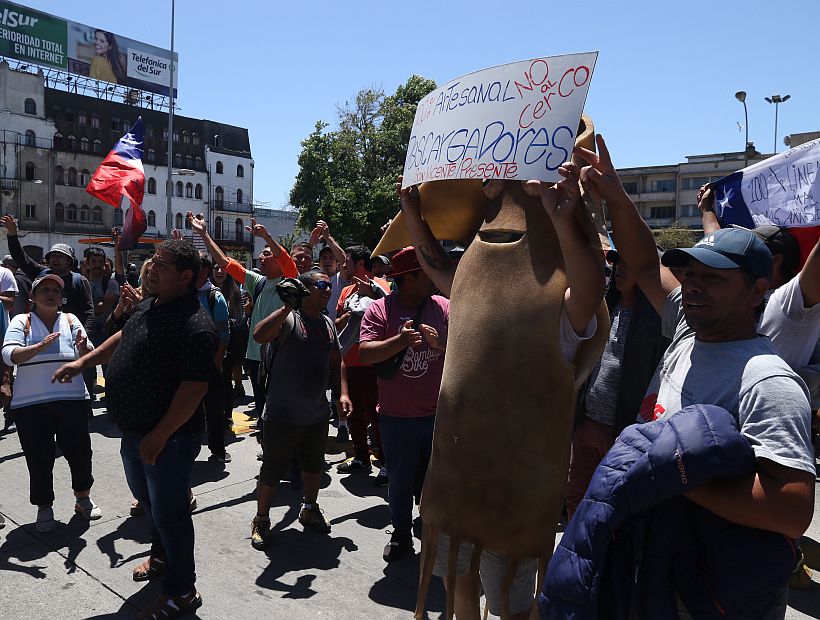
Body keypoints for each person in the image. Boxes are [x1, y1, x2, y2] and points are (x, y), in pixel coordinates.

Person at [581, 134, 814, 618]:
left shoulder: (767, 383)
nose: (693, 287)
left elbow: (792, 510)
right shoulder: (688, 329)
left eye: (714, 278)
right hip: (656, 570)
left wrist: (673, 478)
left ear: (757, 292)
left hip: (714, 593)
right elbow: (644, 260)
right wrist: (616, 195)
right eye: (688, 275)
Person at [398, 166, 604, 619]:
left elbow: (590, 290)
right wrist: (413, 214)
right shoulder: (472, 283)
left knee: (508, 598)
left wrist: (564, 219)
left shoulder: (560, 300)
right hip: (456, 478)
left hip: (516, 494)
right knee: (457, 583)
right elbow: (438, 270)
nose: (487, 184)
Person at [52, 239, 218, 619]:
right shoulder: (151, 303)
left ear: (185, 275)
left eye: (161, 263)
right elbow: (123, 336)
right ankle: (160, 557)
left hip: (170, 439)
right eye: (152, 260)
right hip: (135, 432)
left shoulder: (196, 324)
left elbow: (195, 389)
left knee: (172, 513)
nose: (151, 268)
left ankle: (183, 592)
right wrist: (83, 363)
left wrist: (160, 434)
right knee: (153, 507)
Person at [358, 246, 451, 563]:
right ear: (408, 279)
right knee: (398, 482)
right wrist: (399, 340)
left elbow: (468, 344)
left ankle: (428, 529)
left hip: (437, 417)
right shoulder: (380, 311)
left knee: (433, 482)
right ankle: (400, 536)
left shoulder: (442, 307)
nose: (432, 280)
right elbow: (366, 352)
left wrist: (442, 342)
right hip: (397, 420)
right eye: (426, 273)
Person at [249, 270, 351, 549]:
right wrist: (286, 308)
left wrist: (343, 393)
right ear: (305, 289)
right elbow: (260, 335)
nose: (327, 290)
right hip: (282, 414)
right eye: (321, 285)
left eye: (329, 285)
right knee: (272, 469)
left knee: (313, 465)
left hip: (316, 414)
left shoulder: (328, 323)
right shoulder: (289, 319)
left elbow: (337, 360)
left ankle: (309, 508)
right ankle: (261, 519)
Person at [564, 250, 669, 520]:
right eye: (617, 264)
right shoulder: (602, 308)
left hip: (624, 433)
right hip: (587, 424)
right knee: (578, 496)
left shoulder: (658, 322)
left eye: (628, 264)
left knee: (614, 503)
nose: (620, 269)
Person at [2, 274, 98, 532]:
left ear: (62, 297)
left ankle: (83, 498)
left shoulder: (70, 319)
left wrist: (83, 350)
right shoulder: (22, 321)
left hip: (72, 399)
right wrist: (38, 347)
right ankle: (44, 507)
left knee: (80, 453)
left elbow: (88, 352)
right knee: (39, 458)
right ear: (32, 297)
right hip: (30, 405)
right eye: (44, 289)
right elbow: (9, 355)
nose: (50, 292)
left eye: (55, 289)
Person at [188, 213, 297, 419]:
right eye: (262, 255)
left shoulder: (291, 280)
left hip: (282, 356)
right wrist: (204, 234)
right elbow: (224, 261)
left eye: (267, 254)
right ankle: (267, 445)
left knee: (280, 409)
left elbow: (284, 257)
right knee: (262, 407)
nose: (262, 257)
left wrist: (266, 236)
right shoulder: (258, 281)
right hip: (256, 356)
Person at [335, 245, 391, 481]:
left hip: (375, 364)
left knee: (378, 415)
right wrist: (348, 316)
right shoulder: (346, 291)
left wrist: (373, 295)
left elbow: (391, 314)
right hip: (348, 362)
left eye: (347, 261)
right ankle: (361, 456)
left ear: (359, 263)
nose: (343, 265)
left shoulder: (384, 287)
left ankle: (386, 463)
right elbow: (336, 323)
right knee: (353, 414)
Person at [2, 215, 94, 332]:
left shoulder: (80, 281)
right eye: (53, 256)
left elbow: (88, 312)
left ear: (69, 261)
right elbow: (20, 257)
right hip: (39, 333)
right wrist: (12, 235)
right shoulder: (40, 273)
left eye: (60, 256)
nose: (55, 259)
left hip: (69, 335)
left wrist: (84, 337)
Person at [194, 253, 231, 462]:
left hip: (211, 362)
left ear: (204, 272)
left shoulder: (214, 297)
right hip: (188, 362)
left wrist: (216, 362)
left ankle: (217, 449)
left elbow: (224, 334)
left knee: (214, 408)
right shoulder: (183, 293)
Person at [82, 246, 119, 398]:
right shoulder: (81, 281)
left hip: (107, 334)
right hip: (86, 334)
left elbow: (103, 308)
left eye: (100, 262)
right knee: (86, 372)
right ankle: (86, 405)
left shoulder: (111, 284)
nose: (97, 265)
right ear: (87, 263)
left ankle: (112, 405)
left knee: (109, 372)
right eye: (94, 261)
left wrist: (85, 306)